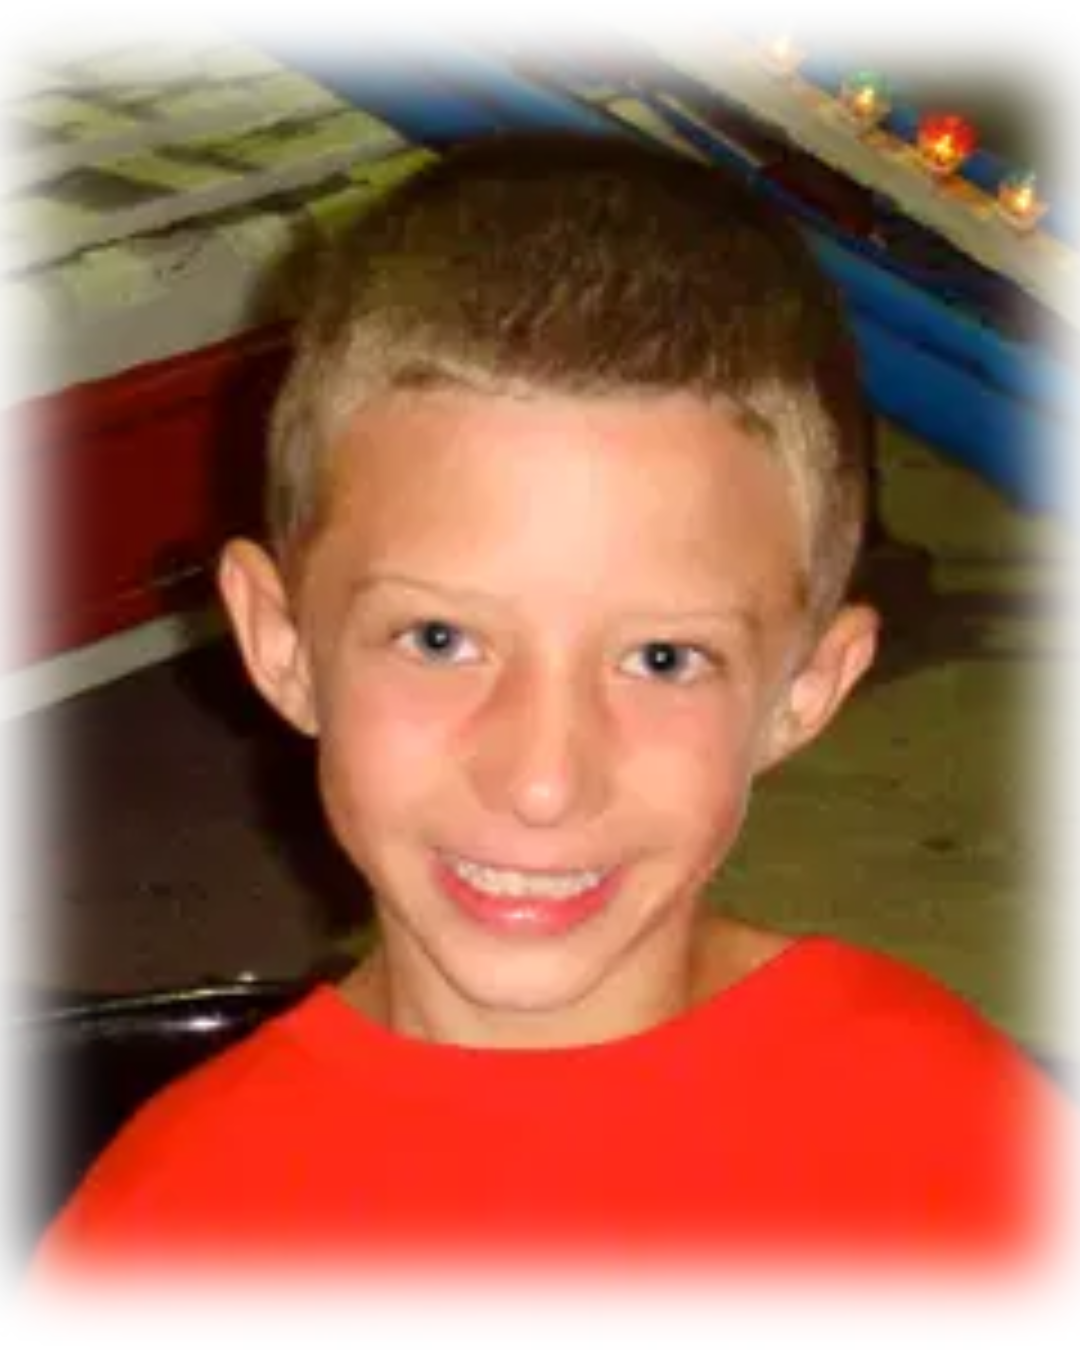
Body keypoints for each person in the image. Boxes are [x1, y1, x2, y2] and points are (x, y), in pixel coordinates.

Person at [35, 130, 1067, 1276]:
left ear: (806, 689)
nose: (542, 779)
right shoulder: (166, 1239)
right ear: (281, 643)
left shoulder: (960, 1140)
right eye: (441, 639)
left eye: (662, 660)